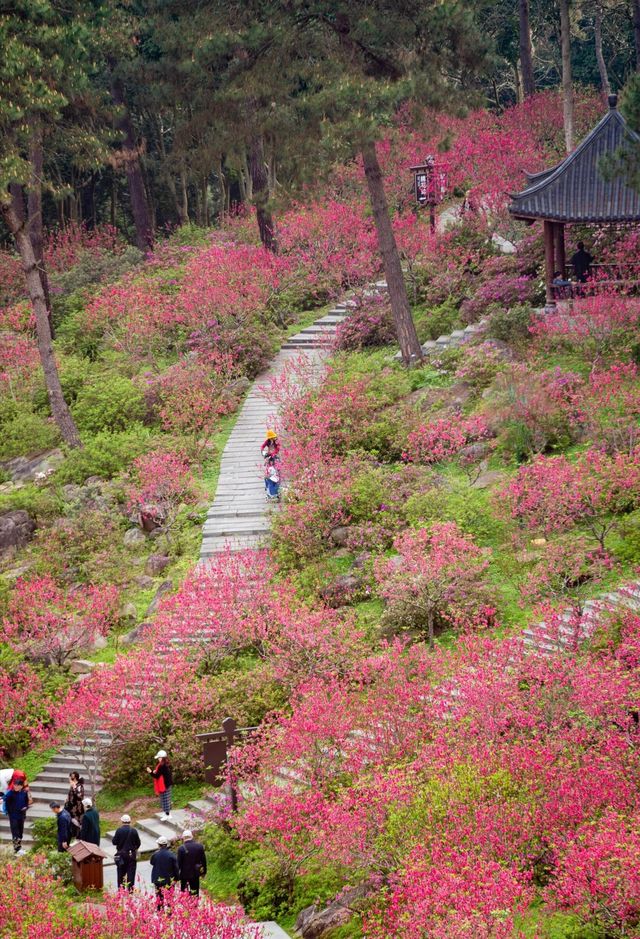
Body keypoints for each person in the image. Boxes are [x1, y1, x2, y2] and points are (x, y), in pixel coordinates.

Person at [111, 814, 141, 892]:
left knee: (121, 873)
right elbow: (138, 843)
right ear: (130, 821)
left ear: (122, 821)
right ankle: (130, 890)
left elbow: (114, 842)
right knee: (131, 873)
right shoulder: (134, 830)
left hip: (121, 855)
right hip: (131, 855)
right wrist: (134, 849)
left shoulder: (119, 830)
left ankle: (121, 890)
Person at [150, 835, 179, 909]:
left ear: (159, 845)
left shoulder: (155, 854)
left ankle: (160, 912)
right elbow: (176, 868)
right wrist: (176, 879)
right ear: (166, 845)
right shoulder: (171, 854)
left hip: (158, 879)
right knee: (170, 897)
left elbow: (152, 862)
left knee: (159, 897)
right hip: (169, 879)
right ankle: (170, 913)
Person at [177, 829, 207, 897]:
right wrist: (204, 872)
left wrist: (176, 876)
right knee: (195, 892)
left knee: (184, 893)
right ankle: (195, 906)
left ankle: (186, 906)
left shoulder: (181, 848)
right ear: (192, 836)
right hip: (195, 873)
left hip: (184, 875)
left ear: (183, 838)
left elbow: (178, 864)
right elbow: (203, 861)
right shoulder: (199, 846)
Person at [146, 750, 173, 822]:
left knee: (164, 800)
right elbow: (161, 773)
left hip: (164, 785)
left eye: (159, 757)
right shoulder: (167, 763)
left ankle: (167, 815)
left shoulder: (161, 765)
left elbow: (157, 776)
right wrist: (155, 771)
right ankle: (168, 814)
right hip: (168, 784)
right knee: (167, 799)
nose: (158, 759)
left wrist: (150, 772)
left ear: (162, 758)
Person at [5, 779, 29, 855]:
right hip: (13, 816)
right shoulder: (10, 793)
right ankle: (17, 849)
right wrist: (10, 813)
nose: (16, 787)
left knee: (20, 833)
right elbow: (5, 799)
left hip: (21, 815)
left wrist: (25, 807)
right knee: (15, 833)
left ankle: (19, 848)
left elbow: (26, 802)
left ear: (21, 786)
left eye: (18, 785)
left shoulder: (24, 793)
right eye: (15, 785)